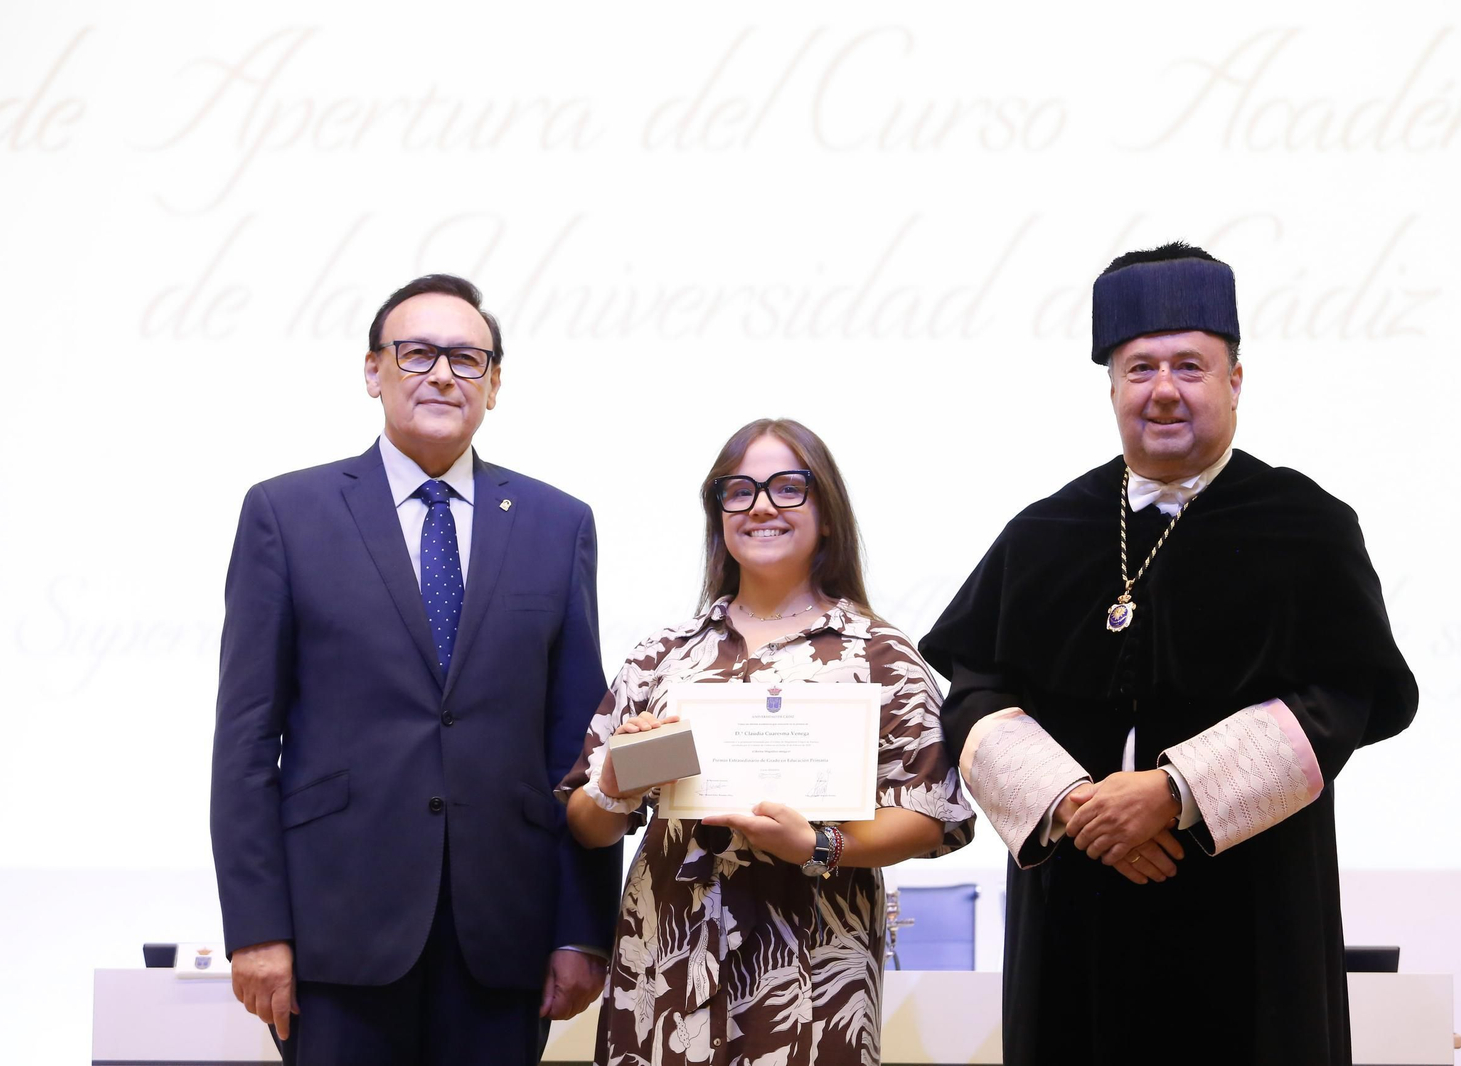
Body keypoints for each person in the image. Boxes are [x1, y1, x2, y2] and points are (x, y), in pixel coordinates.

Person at [919, 243, 1418, 1066]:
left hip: (1248, 913)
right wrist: (1076, 804)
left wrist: (1175, 792)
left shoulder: (1306, 525)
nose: (1163, 391)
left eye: (1190, 365)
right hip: (1077, 907)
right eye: (1139, 367)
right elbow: (973, 690)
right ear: (1111, 385)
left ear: (1236, 379)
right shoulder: (1045, 533)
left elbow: (1344, 696)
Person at [209, 274, 620, 1066]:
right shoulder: (286, 514)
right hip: (335, 936)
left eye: (467, 359)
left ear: (495, 384)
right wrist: (258, 928)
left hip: (503, 938)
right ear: (374, 371)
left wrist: (580, 929)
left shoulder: (556, 523)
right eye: (418, 352)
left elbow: (578, 747)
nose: (442, 373)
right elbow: (245, 744)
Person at [556, 418, 975, 1066]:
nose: (761, 507)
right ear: (718, 511)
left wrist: (818, 845)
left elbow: (930, 816)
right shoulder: (662, 657)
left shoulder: (880, 654)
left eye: (787, 487)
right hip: (666, 959)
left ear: (826, 511)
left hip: (812, 968)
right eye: (739, 490)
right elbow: (587, 826)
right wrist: (617, 779)